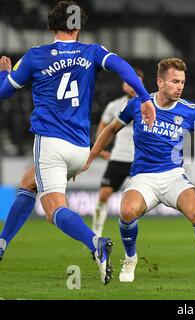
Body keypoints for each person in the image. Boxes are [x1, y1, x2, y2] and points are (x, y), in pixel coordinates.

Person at [0, 1, 156, 284]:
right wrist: (145, 97)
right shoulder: (92, 52)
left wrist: (2, 72)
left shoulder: (36, 56)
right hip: (80, 149)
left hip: (50, 144)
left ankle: (94, 243)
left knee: (53, 209)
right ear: (78, 27)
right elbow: (122, 66)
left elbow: (3, 92)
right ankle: (1, 243)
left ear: (51, 25)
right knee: (28, 182)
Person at [80, 58, 195, 283]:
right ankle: (130, 259)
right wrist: (91, 155)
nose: (180, 87)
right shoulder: (137, 104)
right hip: (143, 177)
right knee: (127, 212)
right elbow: (110, 129)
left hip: (173, 176)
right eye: (175, 81)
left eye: (183, 82)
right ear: (160, 82)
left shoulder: (190, 111)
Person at [92, 69, 144, 237]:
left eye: (136, 82)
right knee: (104, 194)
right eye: (128, 81)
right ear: (123, 84)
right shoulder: (114, 106)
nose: (132, 85)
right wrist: (101, 150)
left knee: (139, 200)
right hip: (118, 157)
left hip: (139, 159)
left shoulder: (148, 104)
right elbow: (103, 128)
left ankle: (132, 232)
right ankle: (96, 232)